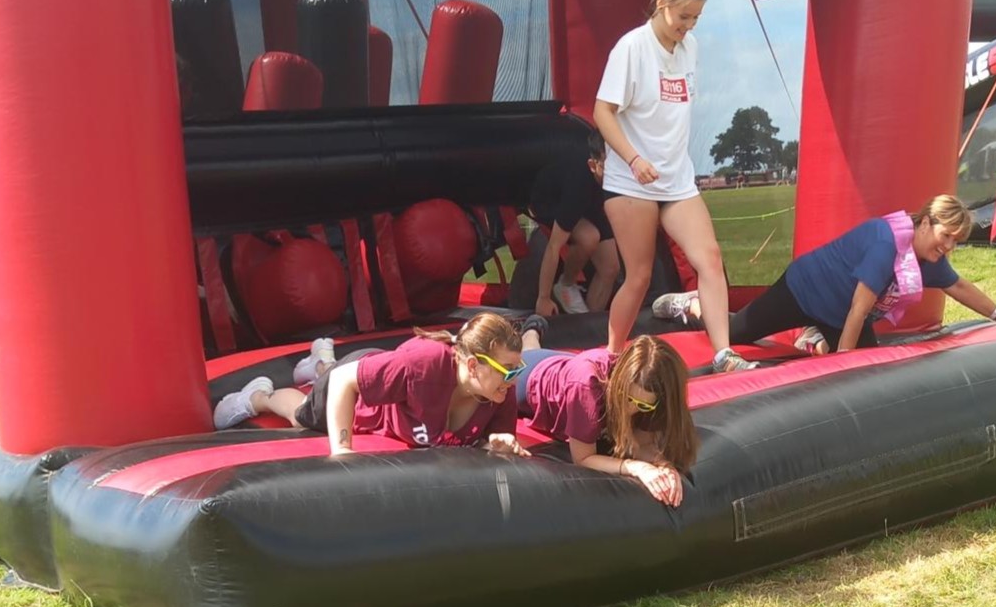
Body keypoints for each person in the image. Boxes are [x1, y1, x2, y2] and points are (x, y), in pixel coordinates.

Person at [594, 0, 755, 373]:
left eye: (696, 18)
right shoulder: (631, 48)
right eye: (684, 17)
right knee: (640, 276)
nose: (689, 25)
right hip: (632, 181)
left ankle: (724, 354)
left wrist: (666, 164)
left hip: (676, 179)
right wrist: (633, 158)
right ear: (662, 4)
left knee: (710, 258)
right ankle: (610, 359)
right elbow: (602, 111)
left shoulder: (691, 48)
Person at [652, 195, 996, 354]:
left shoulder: (930, 257)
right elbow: (858, 310)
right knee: (735, 333)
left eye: (956, 242)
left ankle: (815, 336)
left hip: (836, 312)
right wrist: (843, 364)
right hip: (805, 289)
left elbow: (959, 286)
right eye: (946, 236)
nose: (949, 246)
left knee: (869, 359)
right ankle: (693, 305)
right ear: (925, 222)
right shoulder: (888, 243)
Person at [212, 313, 531, 457]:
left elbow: (489, 444)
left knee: (328, 371)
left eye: (517, 370)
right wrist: (342, 450)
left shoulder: (498, 394)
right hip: (356, 378)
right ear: (473, 366)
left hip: (382, 374)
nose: (514, 378)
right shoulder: (425, 364)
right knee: (301, 414)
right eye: (508, 370)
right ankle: (258, 397)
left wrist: (496, 445)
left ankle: (319, 361)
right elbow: (343, 382)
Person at [516, 324, 697, 507]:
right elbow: (583, 458)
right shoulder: (586, 387)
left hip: (571, 363)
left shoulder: (652, 392)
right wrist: (635, 468)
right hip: (533, 375)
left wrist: (664, 466)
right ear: (619, 381)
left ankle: (532, 334)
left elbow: (643, 444)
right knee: (522, 356)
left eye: (642, 405)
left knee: (538, 351)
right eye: (626, 397)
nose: (629, 408)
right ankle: (531, 330)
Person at [529, 128, 620, 317]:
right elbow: (554, 247)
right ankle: (566, 284)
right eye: (609, 168)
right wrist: (543, 298)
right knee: (589, 237)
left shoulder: (616, 179)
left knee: (611, 267)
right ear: (594, 165)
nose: (616, 174)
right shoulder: (577, 187)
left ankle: (589, 322)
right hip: (549, 199)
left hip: (590, 200)